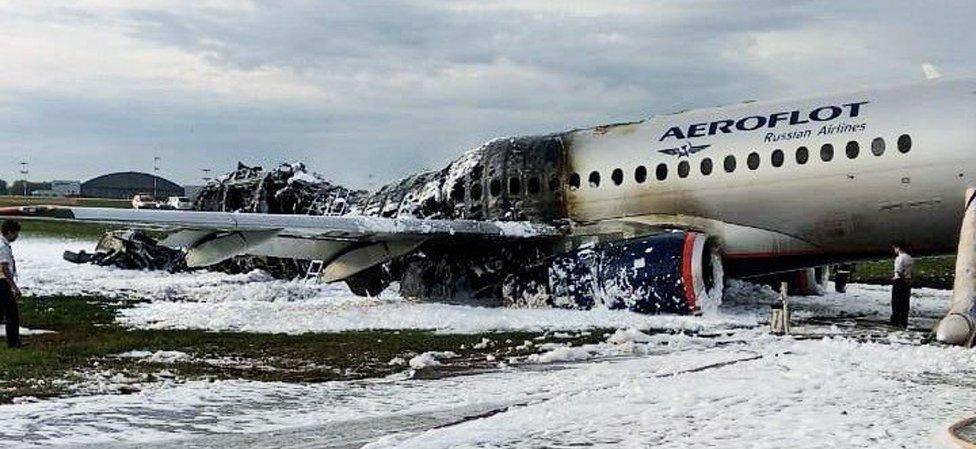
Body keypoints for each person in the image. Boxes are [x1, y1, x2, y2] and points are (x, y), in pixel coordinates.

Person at [0, 220, 22, 348]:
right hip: (3, 282)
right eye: (16, 233)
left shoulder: (2, 243)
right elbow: (4, 268)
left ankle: (13, 342)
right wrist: (14, 287)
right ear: (9, 232)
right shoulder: (3, 247)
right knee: (12, 314)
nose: (17, 236)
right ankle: (13, 343)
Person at [891, 244, 914, 328]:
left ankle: (896, 320)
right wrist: (908, 281)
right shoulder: (910, 258)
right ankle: (904, 320)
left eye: (895, 248)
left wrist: (903, 279)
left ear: (898, 248)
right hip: (908, 280)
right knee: (905, 302)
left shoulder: (899, 258)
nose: (894, 250)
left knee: (896, 301)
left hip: (899, 281)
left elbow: (899, 271)